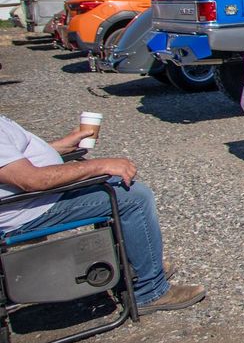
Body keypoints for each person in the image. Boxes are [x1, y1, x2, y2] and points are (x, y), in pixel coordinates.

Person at [0, 114, 206, 313]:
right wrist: (100, 165)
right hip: (31, 208)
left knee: (118, 186)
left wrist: (61, 145)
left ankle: (138, 265)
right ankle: (149, 291)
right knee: (135, 198)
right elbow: (32, 180)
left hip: (37, 200)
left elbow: (17, 159)